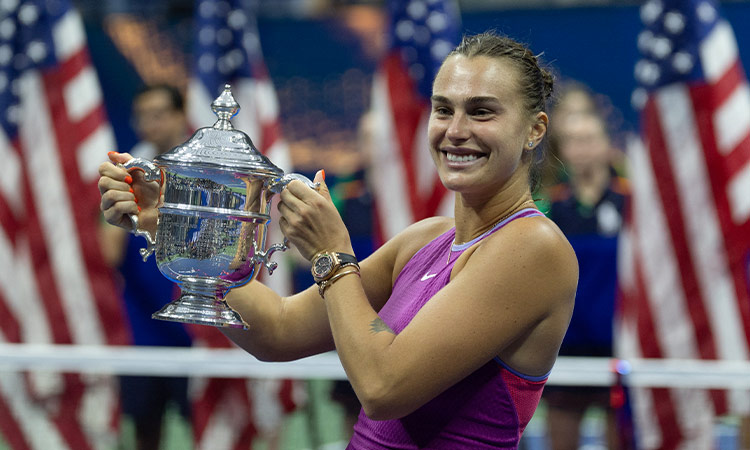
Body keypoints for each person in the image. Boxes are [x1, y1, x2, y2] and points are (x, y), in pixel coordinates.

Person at [99, 31, 579, 448]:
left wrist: (331, 256)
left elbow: (383, 388)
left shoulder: (533, 246)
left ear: (535, 130)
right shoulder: (426, 240)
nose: (455, 131)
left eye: (481, 112)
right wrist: (169, 227)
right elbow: (280, 331)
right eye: (443, 110)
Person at [98, 84, 193, 450]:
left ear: (181, 116)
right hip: (143, 324)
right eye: (142, 116)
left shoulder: (204, 174)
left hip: (196, 324)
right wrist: (125, 200)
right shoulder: (123, 175)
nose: (149, 124)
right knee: (145, 430)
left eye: (159, 114)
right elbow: (108, 252)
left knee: (212, 424)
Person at [542, 84, 628, 450]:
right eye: (574, 141)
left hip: (620, 344)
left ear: (607, 144)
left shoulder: (633, 202)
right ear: (564, 150)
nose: (582, 148)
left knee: (620, 437)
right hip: (565, 346)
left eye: (590, 138)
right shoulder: (547, 210)